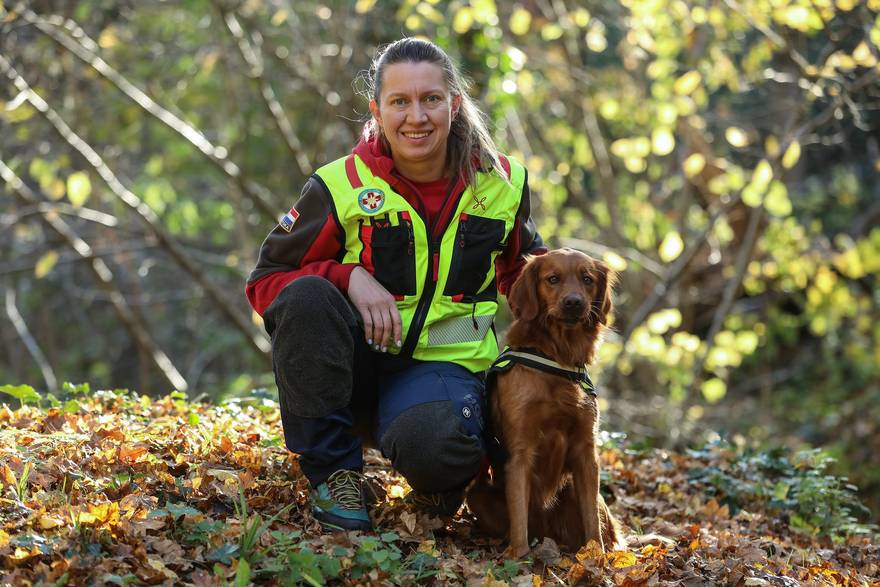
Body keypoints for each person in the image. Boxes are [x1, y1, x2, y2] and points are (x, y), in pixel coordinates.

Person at [245, 38, 545, 532]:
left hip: (442, 371)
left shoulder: (503, 184)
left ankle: (441, 474)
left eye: (431, 99)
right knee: (304, 295)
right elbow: (266, 281)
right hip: (350, 369)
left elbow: (529, 282)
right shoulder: (339, 184)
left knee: (441, 448)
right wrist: (347, 276)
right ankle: (335, 475)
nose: (416, 117)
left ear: (454, 104)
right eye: (400, 101)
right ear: (377, 111)